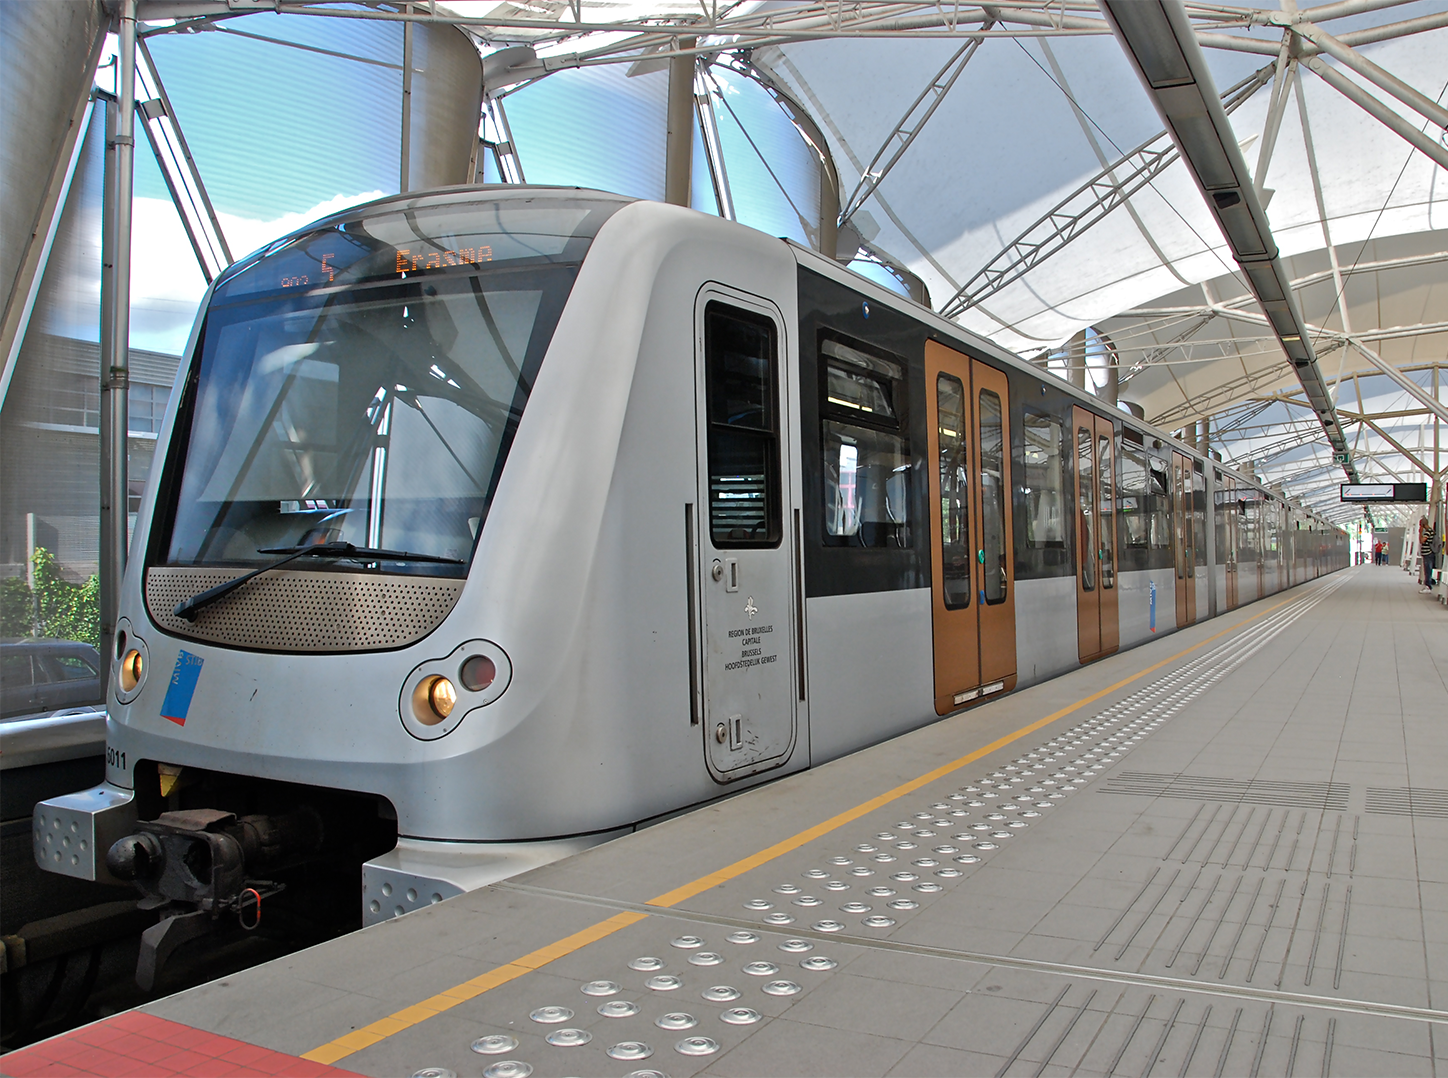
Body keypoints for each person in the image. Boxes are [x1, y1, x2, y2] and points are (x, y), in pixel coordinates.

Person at [1420, 516, 1437, 592]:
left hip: (1427, 553)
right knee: (1428, 569)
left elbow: (1422, 541)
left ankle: (1428, 586)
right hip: (1429, 553)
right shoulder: (1432, 531)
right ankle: (1428, 584)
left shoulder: (1428, 531)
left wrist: (1420, 533)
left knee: (1427, 570)